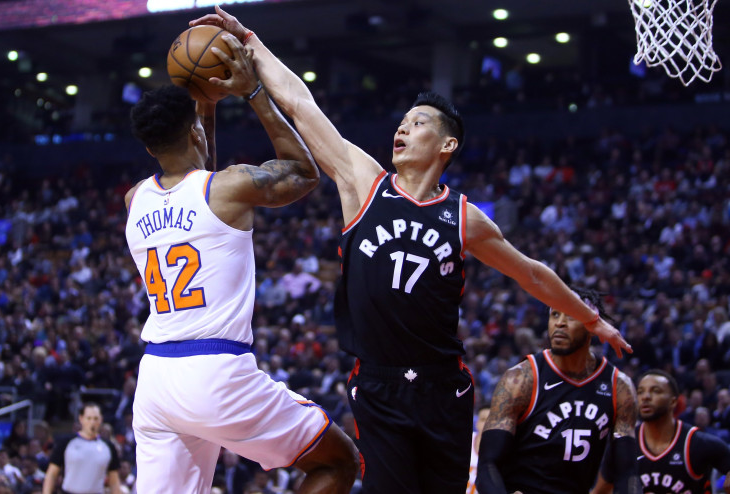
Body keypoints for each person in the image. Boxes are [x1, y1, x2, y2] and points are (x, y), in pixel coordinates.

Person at [189, 7, 632, 492]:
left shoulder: (464, 216)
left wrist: (590, 319)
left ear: (446, 145)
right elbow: (300, 102)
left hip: (444, 388)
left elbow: (531, 274)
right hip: (380, 386)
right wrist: (249, 38)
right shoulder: (364, 182)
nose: (401, 129)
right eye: (401, 122)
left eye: (417, 122)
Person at [124, 31, 357, 493]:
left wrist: (203, 108)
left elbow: (197, 176)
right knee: (337, 462)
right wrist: (252, 92)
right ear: (192, 132)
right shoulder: (226, 188)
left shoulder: (134, 200)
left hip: (155, 380)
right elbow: (305, 172)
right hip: (216, 372)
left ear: (150, 147)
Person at [475, 287, 640, 494]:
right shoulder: (521, 379)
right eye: (555, 314)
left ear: (593, 325)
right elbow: (488, 464)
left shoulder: (619, 387)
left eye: (570, 316)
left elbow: (627, 473)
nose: (559, 323)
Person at [592, 369, 730, 494]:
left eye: (655, 391)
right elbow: (600, 490)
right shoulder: (623, 445)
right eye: (640, 392)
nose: (645, 397)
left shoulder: (697, 443)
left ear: (673, 402)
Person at [42, 402, 121, 494]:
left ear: (101, 420)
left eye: (96, 419)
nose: (92, 422)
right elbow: (51, 474)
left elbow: (114, 481)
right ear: (81, 419)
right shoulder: (66, 442)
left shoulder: (109, 446)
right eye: (89, 418)